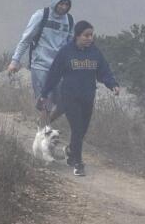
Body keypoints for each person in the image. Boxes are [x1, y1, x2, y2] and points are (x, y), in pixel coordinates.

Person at [40, 20, 120, 178]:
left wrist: (113, 85)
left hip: (88, 97)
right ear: (77, 36)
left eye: (91, 35)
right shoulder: (66, 52)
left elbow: (103, 71)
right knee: (77, 129)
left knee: (81, 131)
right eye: (86, 35)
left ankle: (70, 151)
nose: (90, 38)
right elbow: (54, 74)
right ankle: (78, 163)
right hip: (70, 97)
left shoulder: (95, 52)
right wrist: (44, 93)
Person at [6, 0, 74, 115]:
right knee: (43, 101)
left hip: (59, 68)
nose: (64, 7)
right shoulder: (41, 16)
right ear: (55, 1)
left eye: (67, 4)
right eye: (61, 3)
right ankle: (44, 130)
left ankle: (47, 126)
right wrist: (15, 61)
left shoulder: (69, 21)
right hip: (40, 66)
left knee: (58, 102)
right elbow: (26, 39)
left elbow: (71, 46)